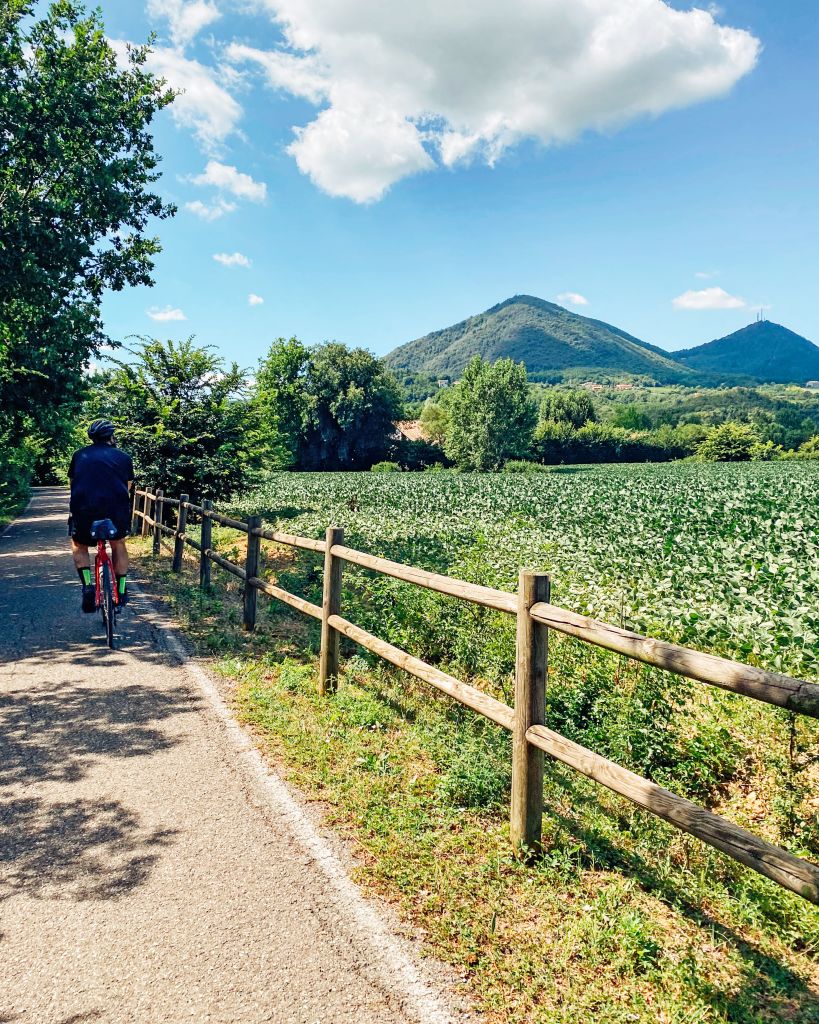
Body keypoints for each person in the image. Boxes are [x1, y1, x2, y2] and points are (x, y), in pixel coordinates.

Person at [68, 419, 134, 613]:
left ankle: (88, 585)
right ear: (111, 436)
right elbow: (127, 486)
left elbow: (73, 484)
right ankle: (121, 591)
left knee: (79, 545)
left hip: (85, 510)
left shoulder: (79, 456)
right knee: (118, 543)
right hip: (116, 511)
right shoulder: (124, 457)